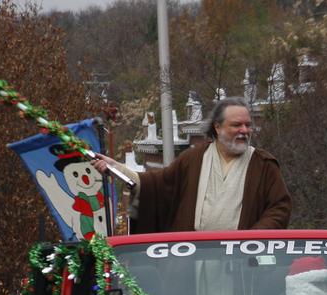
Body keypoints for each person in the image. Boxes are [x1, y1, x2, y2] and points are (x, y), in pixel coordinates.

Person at [91, 97, 291, 232]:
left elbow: (279, 208)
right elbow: (156, 185)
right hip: (194, 262)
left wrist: (253, 239)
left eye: (248, 125)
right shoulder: (194, 158)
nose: (244, 130)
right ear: (217, 126)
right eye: (237, 125)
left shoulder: (263, 165)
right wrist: (116, 167)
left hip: (241, 265)